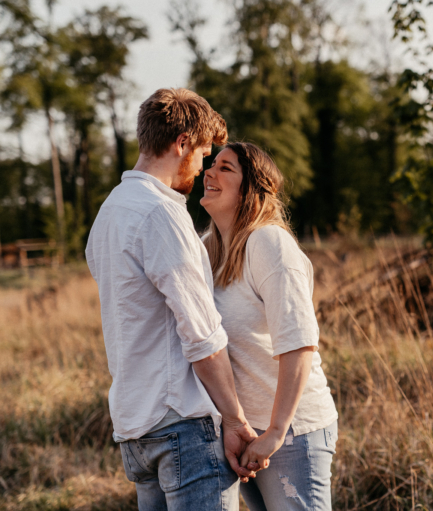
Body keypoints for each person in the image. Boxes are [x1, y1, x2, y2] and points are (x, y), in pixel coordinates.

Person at [85, 88, 259, 510]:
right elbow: (201, 336)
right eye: (202, 154)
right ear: (181, 143)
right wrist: (235, 419)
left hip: (135, 429)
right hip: (181, 426)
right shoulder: (162, 214)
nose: (202, 169)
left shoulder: (109, 212)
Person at [200, 142, 338, 510]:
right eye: (211, 164)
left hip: (292, 432)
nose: (208, 173)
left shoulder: (269, 243)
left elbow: (299, 344)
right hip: (242, 432)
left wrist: (275, 432)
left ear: (251, 189)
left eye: (225, 168)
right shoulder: (207, 249)